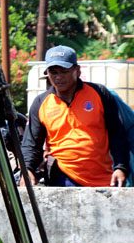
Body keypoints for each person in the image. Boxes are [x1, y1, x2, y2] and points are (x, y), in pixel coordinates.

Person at [21, 45, 129, 187]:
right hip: (62, 176)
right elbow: (31, 143)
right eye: (53, 72)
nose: (58, 77)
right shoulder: (41, 102)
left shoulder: (99, 93)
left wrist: (120, 167)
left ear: (77, 71)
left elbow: (117, 134)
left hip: (103, 178)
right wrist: (27, 170)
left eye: (64, 71)